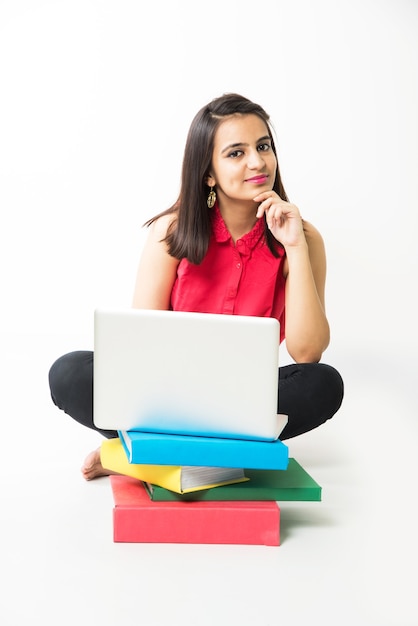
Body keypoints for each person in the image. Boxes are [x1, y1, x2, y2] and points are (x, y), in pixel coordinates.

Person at [49, 93, 344, 481]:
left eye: (263, 146)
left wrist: (294, 246)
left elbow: (307, 352)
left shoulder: (303, 238)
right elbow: (139, 346)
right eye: (236, 153)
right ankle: (214, 458)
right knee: (69, 372)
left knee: (324, 384)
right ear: (208, 173)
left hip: (243, 398)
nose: (257, 162)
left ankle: (141, 452)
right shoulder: (171, 233)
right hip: (168, 395)